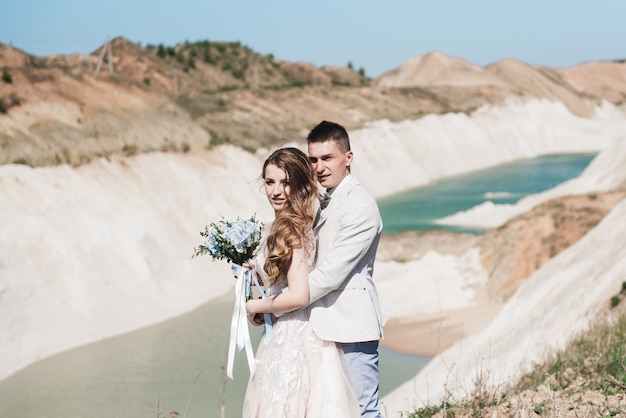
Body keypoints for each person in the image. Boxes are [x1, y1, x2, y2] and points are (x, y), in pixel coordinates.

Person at [243, 147, 361, 418]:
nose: (276, 191)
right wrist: (256, 279)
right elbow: (281, 284)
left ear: (298, 185)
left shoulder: (292, 229)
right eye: (270, 182)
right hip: (281, 330)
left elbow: (298, 295)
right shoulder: (282, 224)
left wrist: (254, 307)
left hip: (295, 337)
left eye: (285, 183)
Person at [306, 120, 386, 418]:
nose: (318, 167)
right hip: (323, 322)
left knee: (364, 410)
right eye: (313, 159)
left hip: (352, 324)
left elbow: (331, 273)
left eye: (327, 158)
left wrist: (283, 303)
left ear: (348, 158)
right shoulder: (323, 202)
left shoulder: (360, 206)